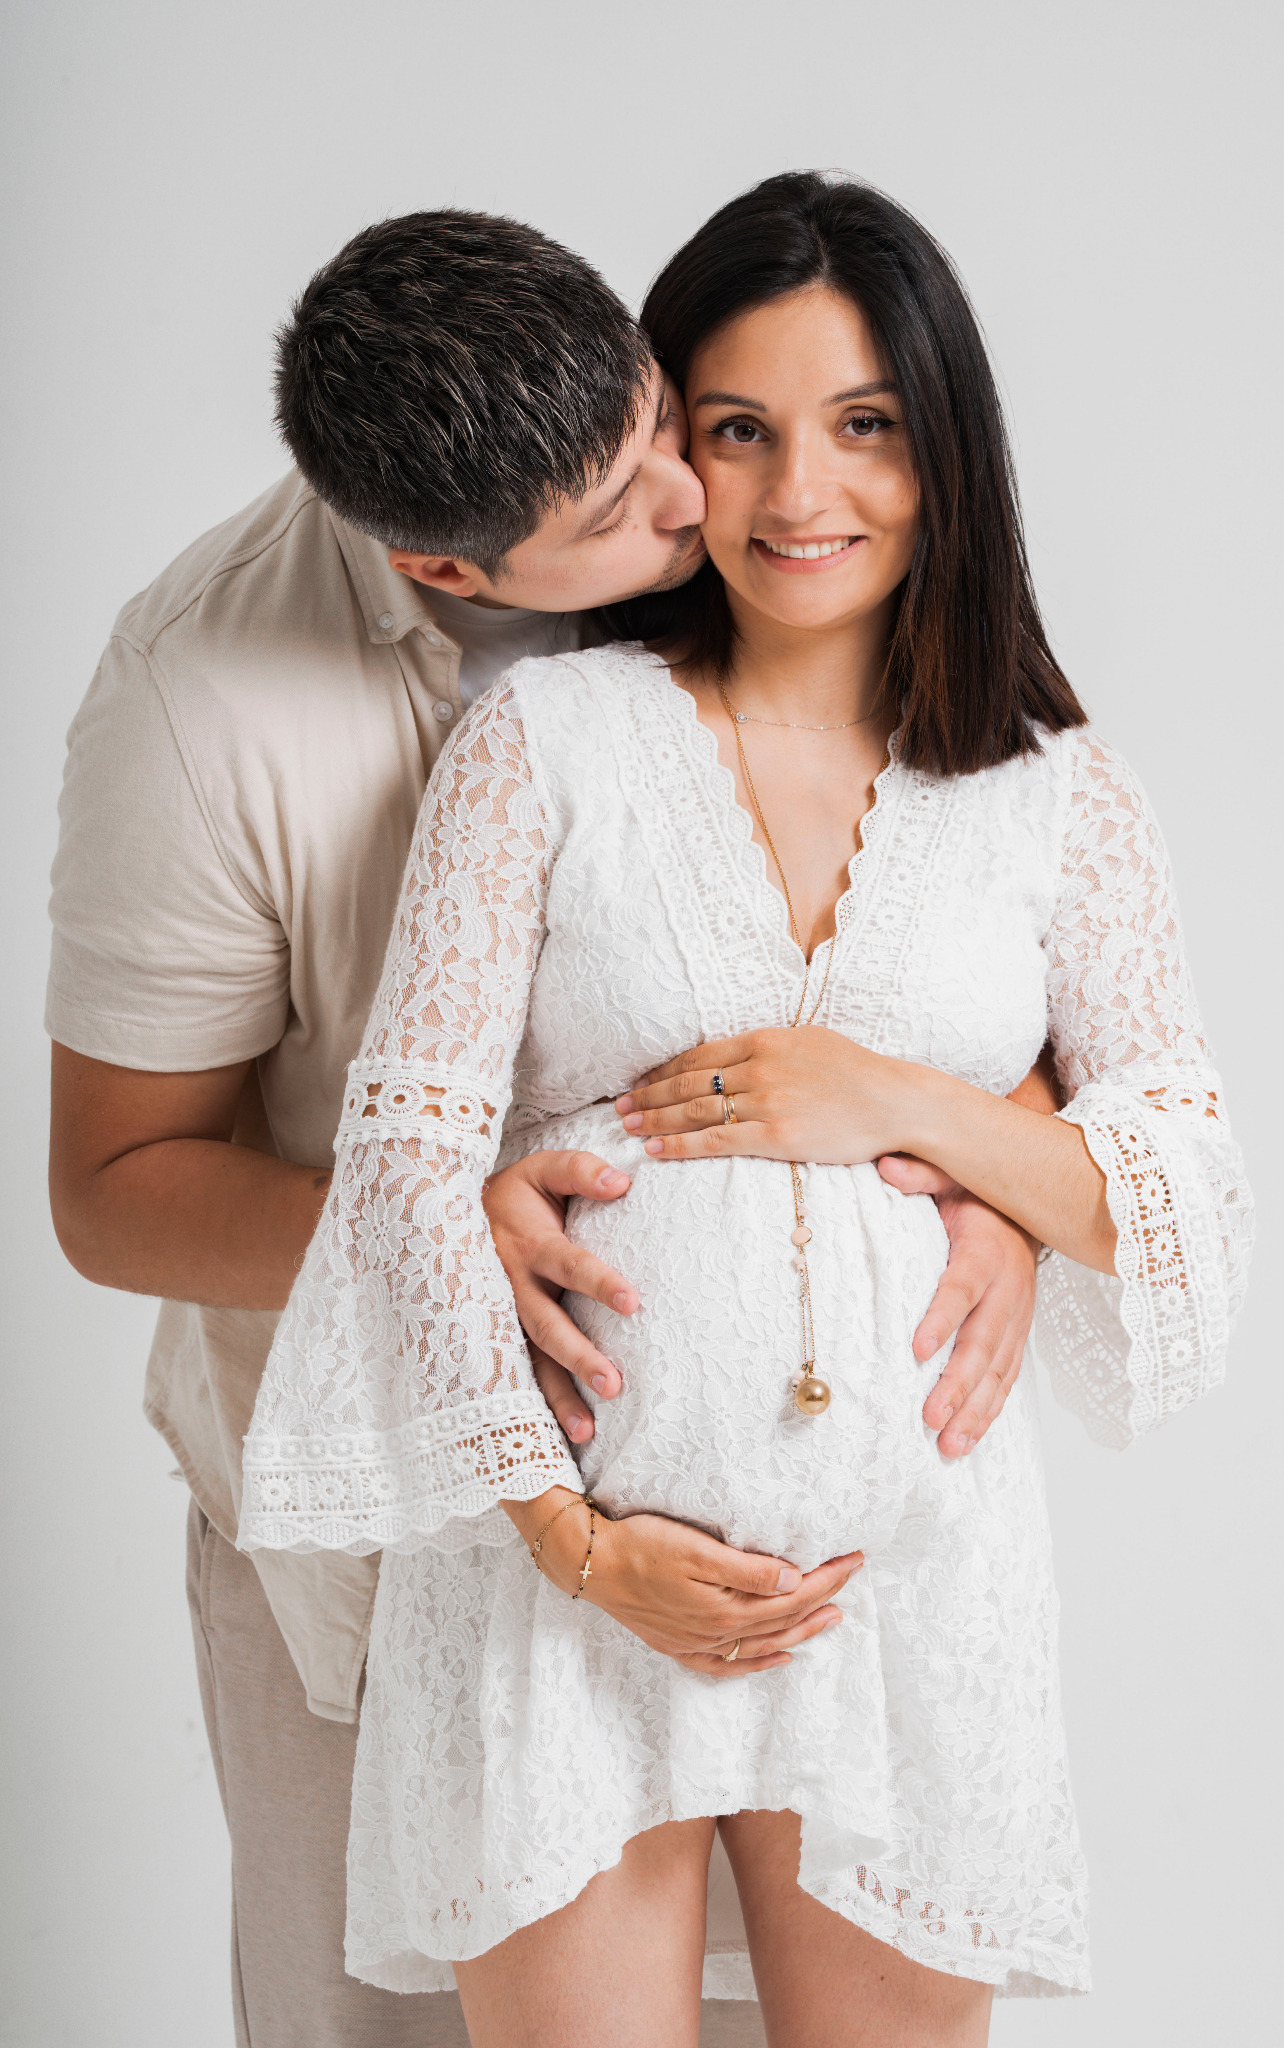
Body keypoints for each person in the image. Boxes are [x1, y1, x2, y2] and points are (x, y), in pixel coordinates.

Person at [238, 171, 1253, 2048]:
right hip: (565, 1594)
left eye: (865, 426)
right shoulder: (542, 743)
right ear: (677, 448)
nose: (801, 497)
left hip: (907, 1595)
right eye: (740, 431)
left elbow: (1174, 1191)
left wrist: (911, 1109)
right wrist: (572, 1542)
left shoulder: (1057, 795)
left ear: (944, 444)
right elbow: (402, 1164)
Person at [46, 207, 1043, 2047]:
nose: (692, 501)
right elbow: (109, 1192)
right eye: (620, 511)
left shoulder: (750, 544)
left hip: (798, 1558)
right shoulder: (201, 707)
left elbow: (960, 914)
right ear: (446, 557)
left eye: (674, 423)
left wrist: (998, 1166)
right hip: (389, 1570)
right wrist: (424, 1231)